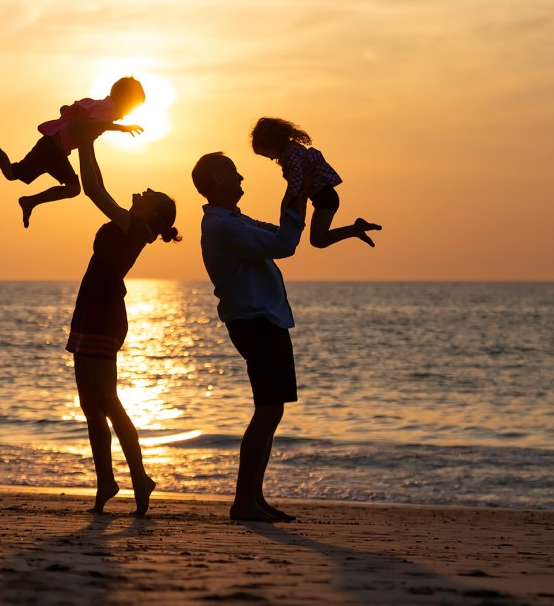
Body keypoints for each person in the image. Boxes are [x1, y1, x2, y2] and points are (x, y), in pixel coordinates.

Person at [66, 122, 181, 515]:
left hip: (104, 314)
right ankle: (106, 482)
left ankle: (140, 477)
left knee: (109, 402)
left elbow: (94, 190)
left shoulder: (135, 227)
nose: (145, 190)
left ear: (154, 213)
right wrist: (88, 142)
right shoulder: (132, 224)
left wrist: (85, 143)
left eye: (153, 194)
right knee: (89, 404)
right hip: (90, 310)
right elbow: (96, 186)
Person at [192, 150, 306, 522]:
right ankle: (244, 501)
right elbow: (285, 244)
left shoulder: (235, 221)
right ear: (218, 181)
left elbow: (281, 235)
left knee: (272, 410)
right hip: (254, 320)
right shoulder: (224, 227)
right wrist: (297, 193)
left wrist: (298, 197)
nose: (241, 179)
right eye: (233, 173)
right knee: (268, 409)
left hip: (265, 319)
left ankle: (253, 498)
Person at [0, 77, 146, 228]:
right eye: (132, 107)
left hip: (57, 150)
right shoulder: (108, 110)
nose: (129, 113)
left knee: (68, 187)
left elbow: (71, 112)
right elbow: (92, 123)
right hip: (52, 149)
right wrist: (122, 128)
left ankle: (30, 201)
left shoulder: (102, 104)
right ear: (124, 100)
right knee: (13, 173)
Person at [250, 116, 381, 248]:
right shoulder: (293, 151)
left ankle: (354, 229)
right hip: (323, 198)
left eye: (267, 154)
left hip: (325, 198)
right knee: (318, 240)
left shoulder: (291, 154)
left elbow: (297, 180)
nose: (271, 158)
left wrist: (286, 200)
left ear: (272, 143)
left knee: (318, 240)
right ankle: (354, 229)